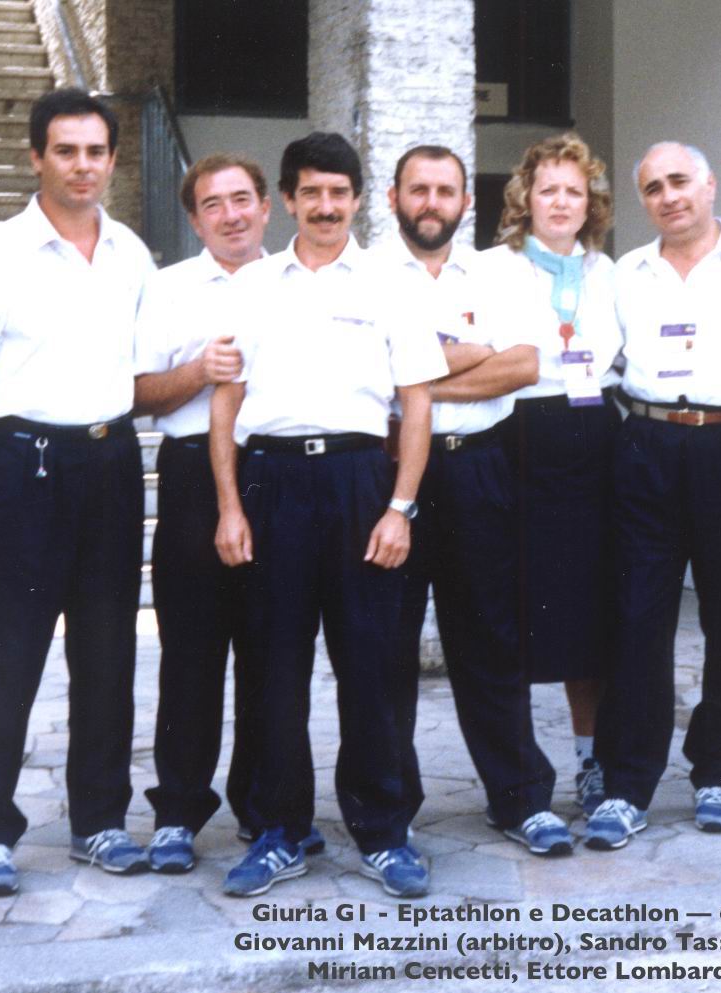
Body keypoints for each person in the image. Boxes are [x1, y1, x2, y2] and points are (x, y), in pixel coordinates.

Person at [210, 132, 447, 898]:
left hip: (359, 481)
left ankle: (383, 831)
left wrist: (400, 507)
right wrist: (229, 506)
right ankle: (280, 829)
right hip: (271, 483)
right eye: (310, 192)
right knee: (273, 666)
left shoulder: (391, 285)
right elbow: (225, 404)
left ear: (358, 199)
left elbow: (417, 404)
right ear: (287, 199)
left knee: (370, 665)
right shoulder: (252, 285)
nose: (324, 206)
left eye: (338, 192)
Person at [0, 88, 157, 896]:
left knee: (107, 652)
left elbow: (145, 373)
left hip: (109, 463)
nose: (82, 166)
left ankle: (99, 821)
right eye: (66, 150)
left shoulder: (131, 253)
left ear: (113, 159)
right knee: (7, 654)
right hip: (19, 465)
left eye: (96, 151)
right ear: (37, 157)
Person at [585, 142, 721, 850]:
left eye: (679, 181)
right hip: (646, 446)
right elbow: (604, 361)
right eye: (653, 188)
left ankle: (716, 773)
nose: (668, 196)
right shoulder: (625, 273)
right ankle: (628, 784)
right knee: (638, 615)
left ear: (710, 183)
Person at [374, 145, 570, 856]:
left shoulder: (501, 273)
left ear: (466, 201)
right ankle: (389, 807)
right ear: (393, 197)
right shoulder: (365, 276)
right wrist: (469, 350)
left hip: (479, 467)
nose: (432, 202)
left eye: (445, 190)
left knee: (490, 637)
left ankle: (519, 798)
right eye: (418, 189)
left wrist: (415, 380)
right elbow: (365, 372)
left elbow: (523, 363)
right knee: (385, 644)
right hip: (392, 474)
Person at [132, 154, 323, 872]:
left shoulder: (298, 281)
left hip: (278, 472)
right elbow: (136, 392)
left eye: (242, 199)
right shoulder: (169, 288)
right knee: (192, 649)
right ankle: (178, 812)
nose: (231, 215)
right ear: (194, 219)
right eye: (213, 204)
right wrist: (196, 373)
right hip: (191, 475)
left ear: (268, 207)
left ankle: (265, 807)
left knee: (275, 650)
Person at [483, 133, 623, 816]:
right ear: (525, 198)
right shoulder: (491, 269)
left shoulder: (609, 273)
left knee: (588, 617)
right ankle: (515, 773)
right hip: (518, 439)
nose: (562, 202)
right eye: (549, 190)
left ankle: (591, 760)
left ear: (590, 202)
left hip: (595, 441)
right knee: (510, 612)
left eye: (575, 191)